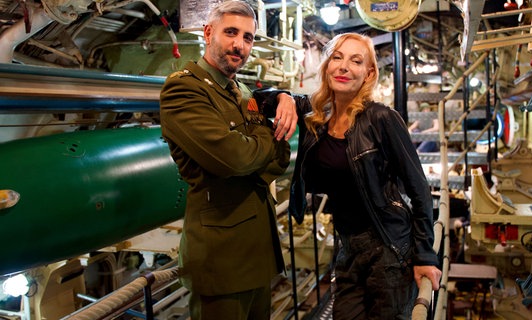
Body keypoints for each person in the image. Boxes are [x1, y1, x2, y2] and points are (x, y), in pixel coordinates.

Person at [287, 32, 442, 319]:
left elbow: (419, 188)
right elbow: (266, 100)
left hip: (388, 247)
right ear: (327, 66)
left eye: (355, 61)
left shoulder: (382, 119)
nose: (344, 67)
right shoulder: (319, 120)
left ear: (369, 73)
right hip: (348, 246)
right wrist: (283, 97)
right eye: (337, 57)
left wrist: (425, 254)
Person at [159, 1, 297, 319]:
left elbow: (280, 160)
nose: (239, 44)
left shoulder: (242, 91)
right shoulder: (184, 89)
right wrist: (265, 141)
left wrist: (283, 96)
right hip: (220, 263)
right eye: (231, 32)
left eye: (247, 37)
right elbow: (233, 159)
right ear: (209, 33)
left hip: (257, 255)